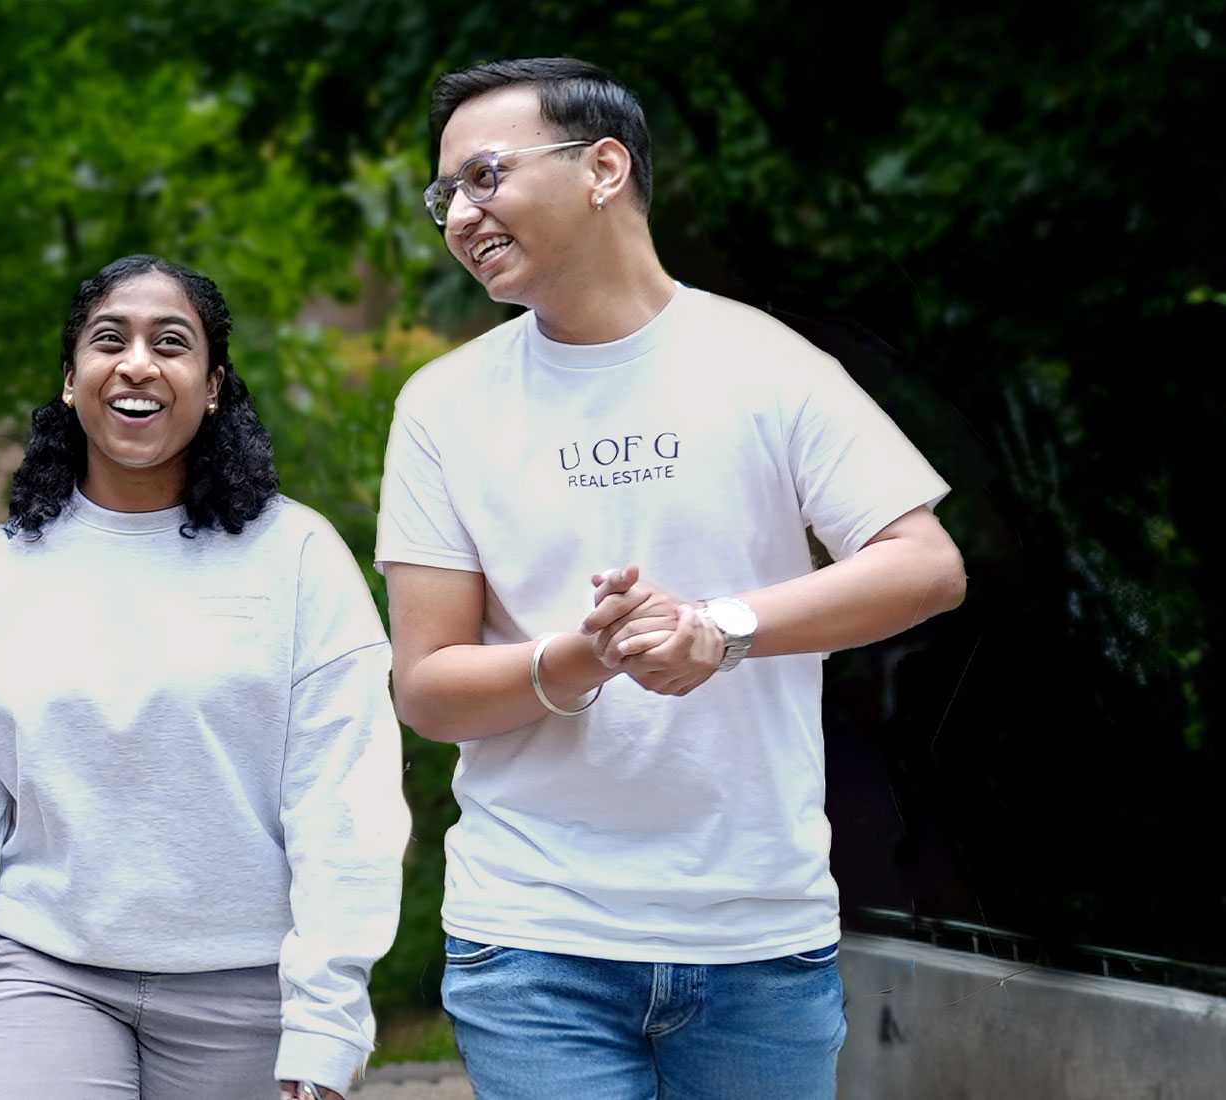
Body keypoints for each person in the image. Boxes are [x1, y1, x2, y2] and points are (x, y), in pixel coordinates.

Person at [377, 56, 971, 1100]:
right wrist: (578, 658)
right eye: (445, 196)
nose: (459, 215)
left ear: (604, 167)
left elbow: (924, 563)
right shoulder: (444, 405)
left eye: (483, 177)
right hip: (532, 934)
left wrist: (721, 626)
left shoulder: (767, 363)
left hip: (759, 933)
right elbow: (425, 684)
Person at [0, 255, 410, 1100]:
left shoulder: (299, 560)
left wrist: (328, 1022)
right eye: (109, 339)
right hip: (46, 972)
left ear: (213, 386)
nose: (137, 362)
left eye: (170, 342)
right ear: (71, 381)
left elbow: (345, 806)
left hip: (250, 987)